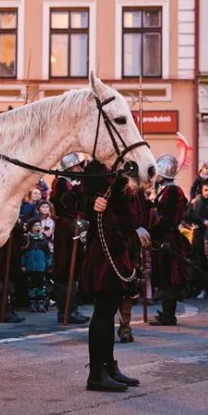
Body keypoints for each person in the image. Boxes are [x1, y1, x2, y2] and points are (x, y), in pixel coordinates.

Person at [81, 161, 146, 392]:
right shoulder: (95, 168)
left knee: (110, 308)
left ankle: (108, 367)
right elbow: (73, 200)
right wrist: (91, 204)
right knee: (104, 309)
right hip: (105, 246)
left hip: (122, 246)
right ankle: (96, 374)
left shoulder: (126, 165)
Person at [148, 149, 190, 326]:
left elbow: (167, 217)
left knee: (169, 275)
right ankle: (166, 311)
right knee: (163, 274)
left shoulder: (172, 191)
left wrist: (154, 232)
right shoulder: (165, 190)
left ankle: (169, 314)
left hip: (167, 238)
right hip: (163, 237)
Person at [50, 153, 88, 324]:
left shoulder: (68, 183)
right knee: (65, 270)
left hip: (71, 225)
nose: (80, 169)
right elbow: (66, 202)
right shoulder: (62, 183)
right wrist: (80, 189)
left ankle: (70, 309)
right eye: (77, 166)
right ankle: (66, 311)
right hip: (67, 228)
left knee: (72, 271)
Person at [185, 181, 208, 300]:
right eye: (206, 190)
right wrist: (202, 221)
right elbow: (188, 216)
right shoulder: (197, 202)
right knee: (200, 262)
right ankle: (202, 288)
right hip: (199, 234)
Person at [20, 218, 52, 312]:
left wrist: (49, 265)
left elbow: (48, 253)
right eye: (35, 226)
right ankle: (32, 303)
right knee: (31, 285)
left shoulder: (43, 240)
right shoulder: (27, 240)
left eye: (39, 225)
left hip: (41, 267)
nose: (37, 227)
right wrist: (22, 264)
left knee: (41, 285)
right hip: (30, 266)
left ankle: (41, 303)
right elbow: (23, 253)